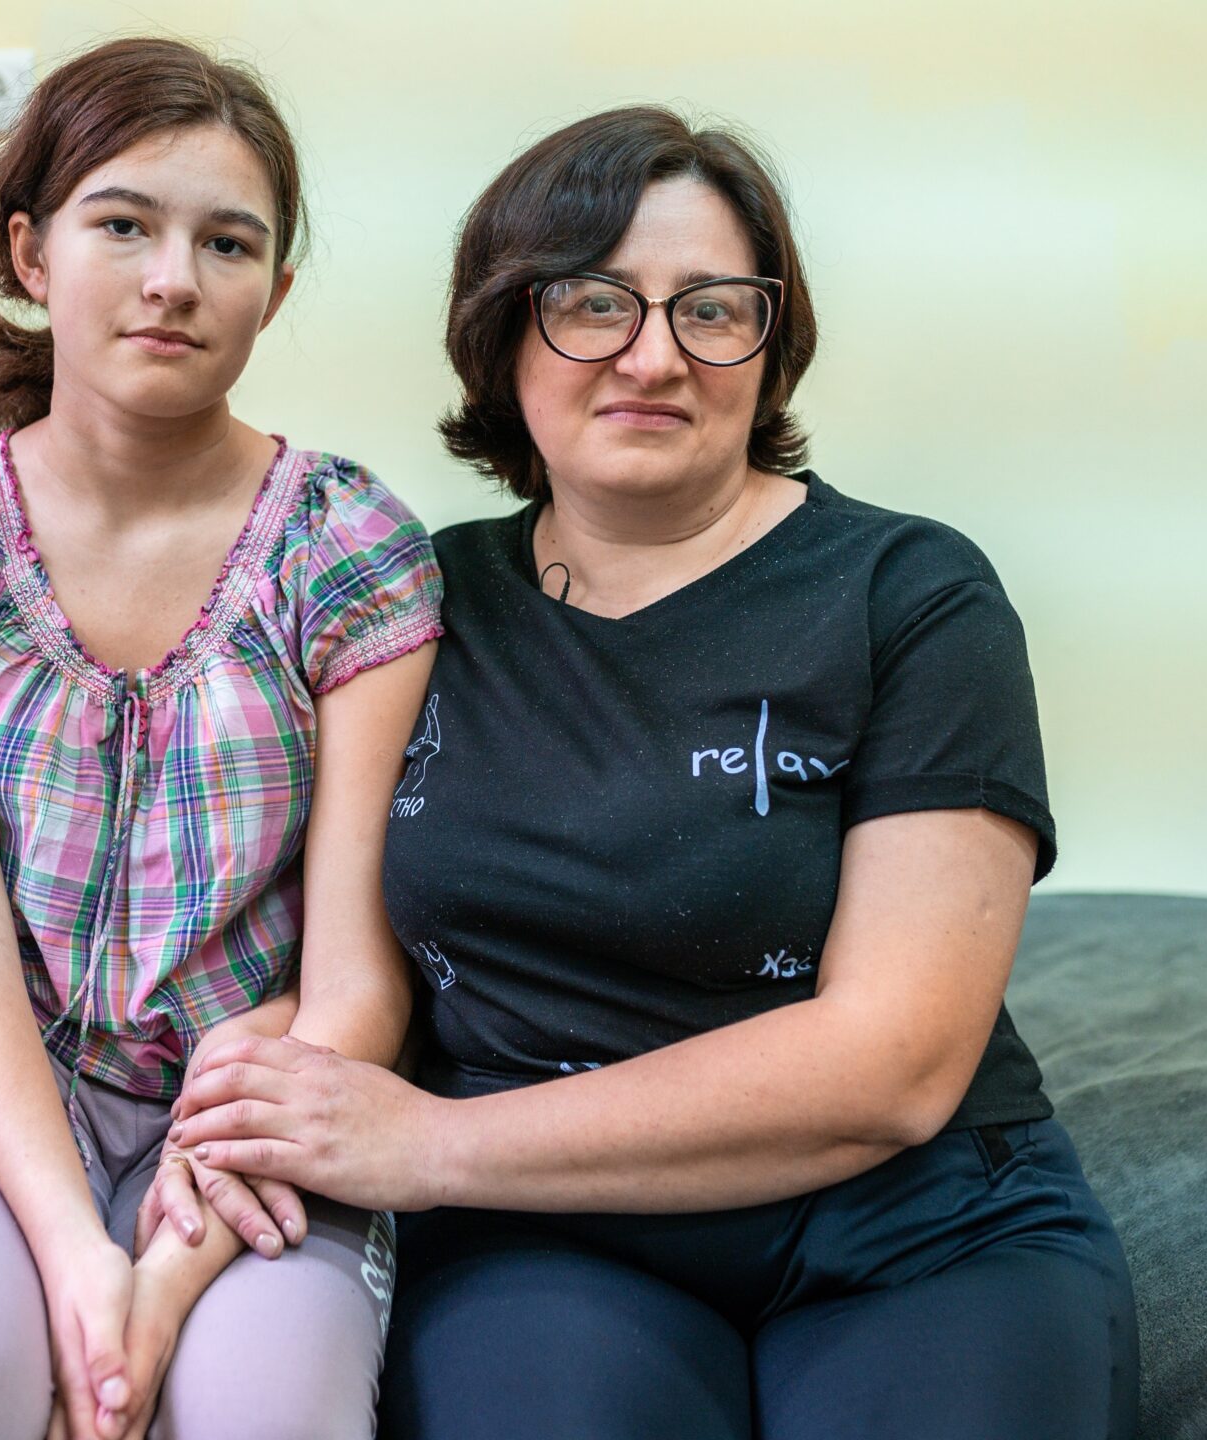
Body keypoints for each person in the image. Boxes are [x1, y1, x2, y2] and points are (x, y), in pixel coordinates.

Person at [171, 105, 1141, 1439]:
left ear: (770, 341)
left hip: (913, 1222)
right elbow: (326, 932)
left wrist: (429, 1144)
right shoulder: (407, 599)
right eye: (592, 302)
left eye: (713, 309)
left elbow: (898, 1063)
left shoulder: (912, 592)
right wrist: (253, 1047)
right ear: (505, 335)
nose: (653, 355)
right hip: (551, 1239)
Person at [0, 36, 436, 1440]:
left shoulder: (352, 547)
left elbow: (357, 980)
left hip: (252, 1081)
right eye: (123, 224)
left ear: (273, 289)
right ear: (31, 253)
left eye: (228, 243)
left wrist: (167, 1271)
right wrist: (76, 1251)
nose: (171, 279)